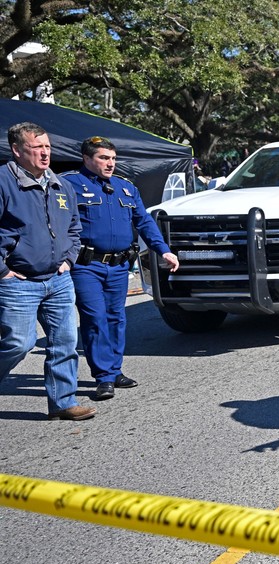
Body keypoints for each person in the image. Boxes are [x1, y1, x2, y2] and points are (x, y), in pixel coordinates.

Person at [61, 137, 181, 400]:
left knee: (116, 318)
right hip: (86, 266)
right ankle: (103, 376)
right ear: (86, 158)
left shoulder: (125, 187)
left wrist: (163, 250)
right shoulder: (68, 184)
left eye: (113, 158)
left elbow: (144, 222)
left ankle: (114, 371)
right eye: (104, 158)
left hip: (118, 266)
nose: (110, 163)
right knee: (95, 318)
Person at [0, 122, 95, 421]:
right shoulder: (3, 182)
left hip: (58, 279)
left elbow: (74, 228)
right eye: (37, 147)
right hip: (18, 281)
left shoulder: (60, 184)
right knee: (19, 343)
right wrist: (2, 271)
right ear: (17, 150)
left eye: (47, 147)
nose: (45, 153)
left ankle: (63, 402)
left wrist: (69, 260)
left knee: (65, 342)